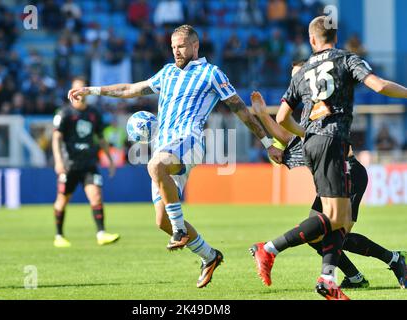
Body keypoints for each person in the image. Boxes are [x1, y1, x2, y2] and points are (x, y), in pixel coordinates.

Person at [68, 25, 283, 288]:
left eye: (181, 46)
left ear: (195, 46)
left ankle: (180, 230)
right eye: (173, 46)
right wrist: (93, 91)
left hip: (189, 141)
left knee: (155, 166)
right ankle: (210, 256)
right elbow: (130, 89)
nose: (176, 51)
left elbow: (241, 110)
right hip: (164, 145)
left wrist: (267, 143)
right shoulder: (167, 73)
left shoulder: (211, 73)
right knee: (161, 221)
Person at [250, 16, 407, 300]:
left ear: (312, 40)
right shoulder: (345, 59)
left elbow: (284, 121)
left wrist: (274, 119)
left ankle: (335, 277)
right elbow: (380, 86)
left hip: (329, 152)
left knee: (331, 224)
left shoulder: (302, 73)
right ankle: (273, 250)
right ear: (337, 36)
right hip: (334, 143)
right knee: (336, 221)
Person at [52, 77, 119, 248]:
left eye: (82, 89)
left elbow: (101, 139)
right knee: (62, 200)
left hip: (89, 164)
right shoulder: (64, 114)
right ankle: (59, 235)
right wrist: (58, 161)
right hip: (70, 165)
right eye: (76, 89)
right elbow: (56, 139)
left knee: (96, 196)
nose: (79, 93)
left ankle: (101, 234)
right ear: (71, 92)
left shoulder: (94, 113)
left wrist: (110, 160)